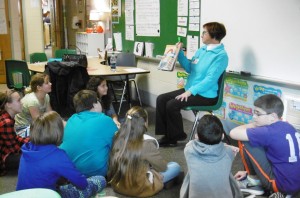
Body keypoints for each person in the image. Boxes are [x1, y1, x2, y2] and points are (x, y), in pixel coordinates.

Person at [155, 22, 228, 147]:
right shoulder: (201, 50)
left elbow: (210, 80)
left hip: (206, 96)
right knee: (161, 99)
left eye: (204, 32)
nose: (202, 35)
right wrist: (180, 55)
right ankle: (168, 135)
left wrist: (190, 91)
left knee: (172, 104)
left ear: (214, 35)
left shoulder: (221, 56)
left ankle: (175, 136)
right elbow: (190, 68)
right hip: (191, 90)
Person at [16, 111, 106, 198]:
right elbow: (82, 184)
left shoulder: (26, 148)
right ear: (58, 132)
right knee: (100, 179)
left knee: (63, 184)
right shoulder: (58, 155)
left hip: (22, 195)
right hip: (48, 195)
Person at [230, 94, 300, 197]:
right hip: (295, 182)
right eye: (254, 113)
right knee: (261, 142)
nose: (254, 117)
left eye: (258, 114)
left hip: (282, 184)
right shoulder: (288, 126)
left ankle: (254, 182)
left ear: (272, 117)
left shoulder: (268, 132)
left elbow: (233, 133)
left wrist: (254, 125)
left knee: (245, 140)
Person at [108, 106, 181, 197]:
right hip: (138, 188)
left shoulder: (117, 137)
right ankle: (162, 182)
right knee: (175, 166)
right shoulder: (147, 143)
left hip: (118, 185)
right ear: (145, 123)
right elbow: (162, 168)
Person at [180, 114, 242, 198]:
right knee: (228, 177)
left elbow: (191, 143)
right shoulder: (229, 152)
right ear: (222, 136)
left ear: (196, 137)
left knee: (189, 175)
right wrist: (228, 146)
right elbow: (224, 149)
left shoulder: (189, 150)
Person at [60, 90, 118, 177]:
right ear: (94, 105)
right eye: (98, 101)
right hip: (98, 173)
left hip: (71, 172)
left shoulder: (72, 119)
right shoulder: (105, 120)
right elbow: (119, 144)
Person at [0, 90, 29, 176]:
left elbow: (14, 137)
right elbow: (15, 150)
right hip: (4, 157)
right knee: (32, 157)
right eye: (18, 100)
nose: (22, 102)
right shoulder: (7, 122)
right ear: (8, 105)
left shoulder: (7, 116)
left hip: (6, 149)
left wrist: (27, 141)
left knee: (30, 142)